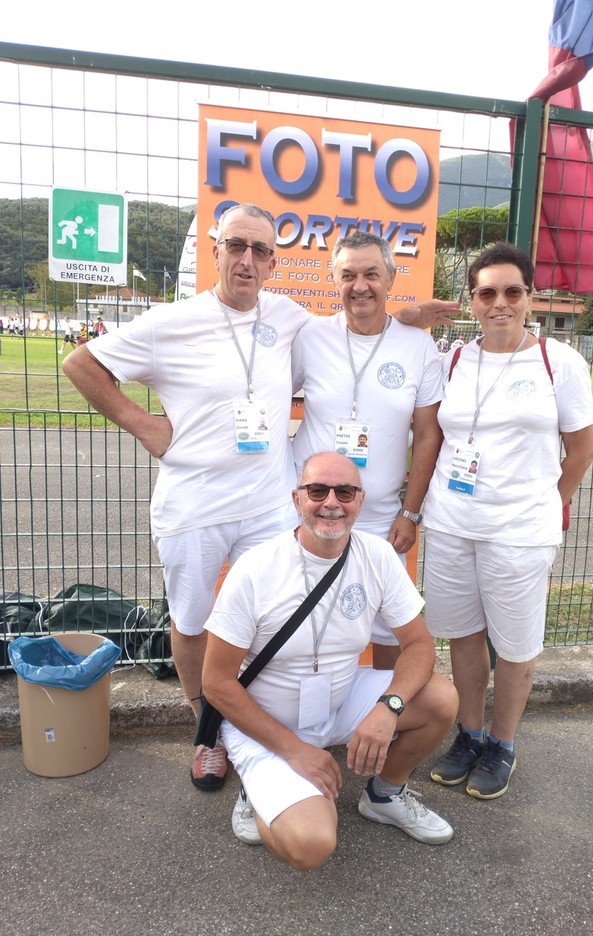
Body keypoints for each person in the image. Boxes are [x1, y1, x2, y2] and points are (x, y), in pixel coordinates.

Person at [63, 203, 459, 794]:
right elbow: (81, 363)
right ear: (215, 250)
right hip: (194, 505)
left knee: (278, 620)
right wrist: (144, 426)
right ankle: (207, 731)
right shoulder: (174, 320)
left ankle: (274, 729)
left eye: (260, 251)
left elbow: (360, 318)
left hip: (272, 502)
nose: (247, 260)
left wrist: (406, 314)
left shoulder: (285, 317)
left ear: (274, 261)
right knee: (194, 620)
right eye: (236, 246)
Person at [201, 452, 458, 869]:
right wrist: (293, 750)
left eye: (345, 491)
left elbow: (420, 646)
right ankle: (257, 785)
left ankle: (385, 795)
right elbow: (215, 683)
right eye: (317, 491)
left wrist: (387, 709)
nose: (332, 502)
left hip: (339, 700)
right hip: (267, 720)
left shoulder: (376, 557)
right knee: (312, 844)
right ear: (296, 498)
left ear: (361, 499)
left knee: (441, 699)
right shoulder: (255, 569)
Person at [423, 242, 593, 801]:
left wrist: (547, 504)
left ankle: (502, 743)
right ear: (471, 300)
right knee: (466, 637)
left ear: (530, 297)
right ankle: (469, 735)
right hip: (451, 521)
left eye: (512, 291)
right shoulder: (452, 359)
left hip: (520, 530)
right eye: (487, 292)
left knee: (516, 644)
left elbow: (582, 450)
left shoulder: (557, 361)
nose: (500, 302)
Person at [292, 232, 444, 669]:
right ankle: (301, 717)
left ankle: (387, 711)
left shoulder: (418, 346)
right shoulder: (310, 337)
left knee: (391, 625)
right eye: (348, 275)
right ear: (333, 280)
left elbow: (428, 435)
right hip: (313, 509)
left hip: (381, 517)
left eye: (371, 274)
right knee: (303, 618)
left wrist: (411, 513)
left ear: (391, 279)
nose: (360, 285)